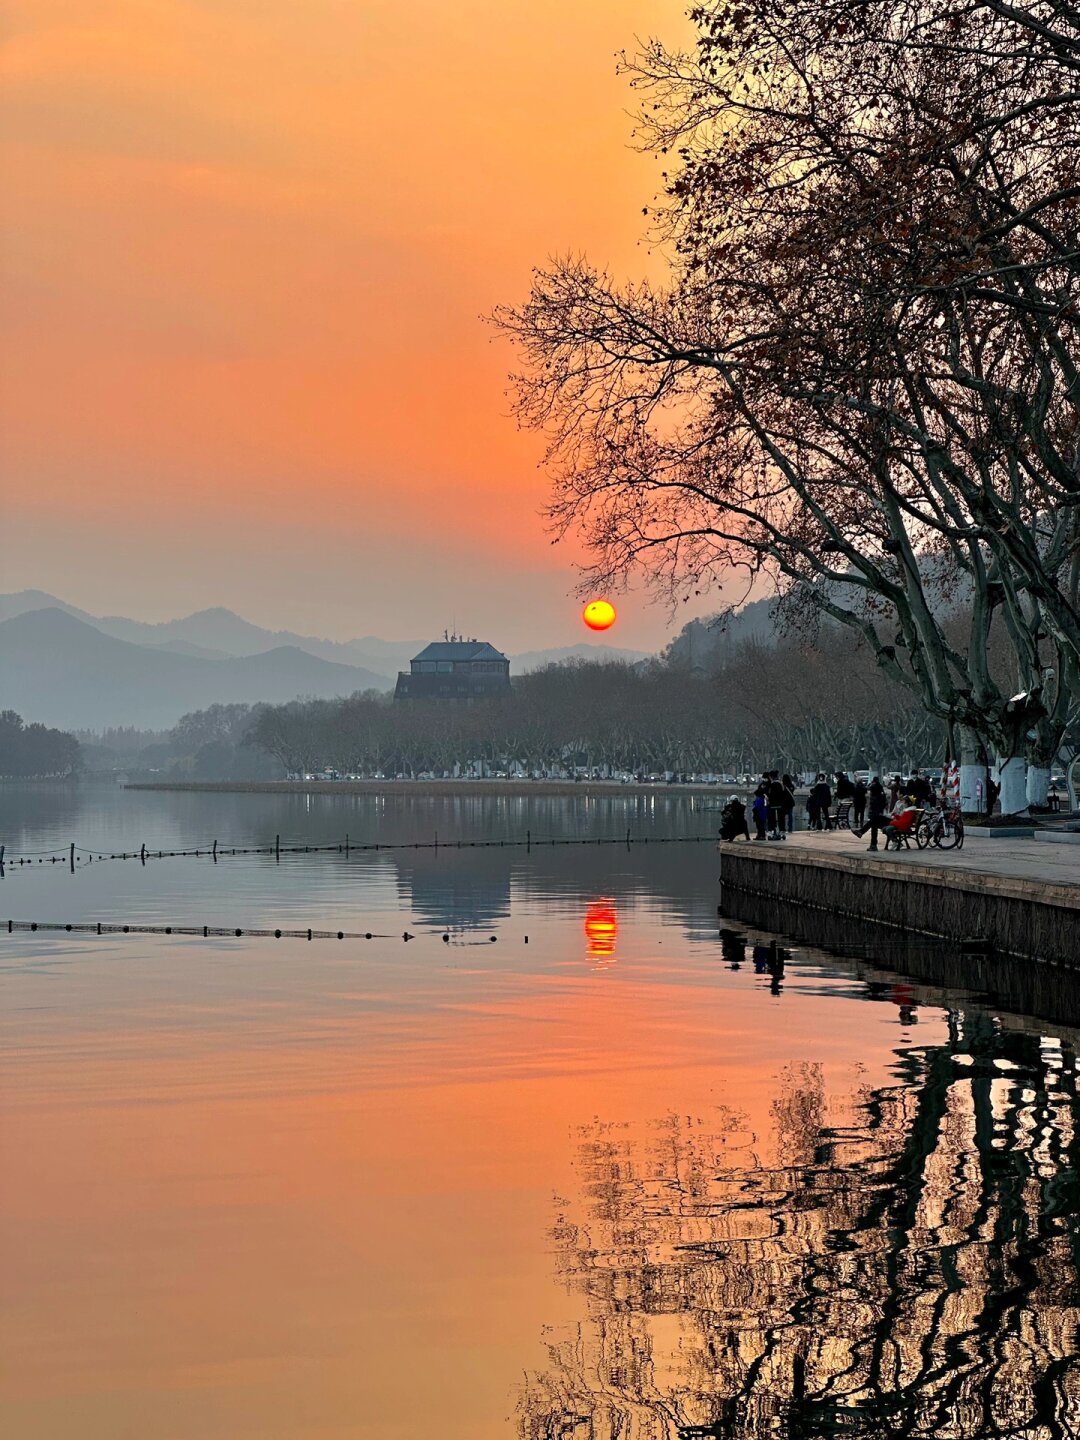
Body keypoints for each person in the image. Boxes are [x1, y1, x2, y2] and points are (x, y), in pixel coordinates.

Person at [858, 777, 888, 851]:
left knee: (874, 822)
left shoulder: (875, 799)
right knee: (874, 823)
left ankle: (862, 832)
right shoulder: (881, 796)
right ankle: (872, 843)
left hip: (891, 820)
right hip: (883, 817)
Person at [767, 770, 787, 839]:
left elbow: (769, 794)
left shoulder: (771, 785)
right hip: (781, 804)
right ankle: (782, 831)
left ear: (771, 777)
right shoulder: (781, 784)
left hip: (772, 805)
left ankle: (771, 831)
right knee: (781, 818)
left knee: (771, 818)